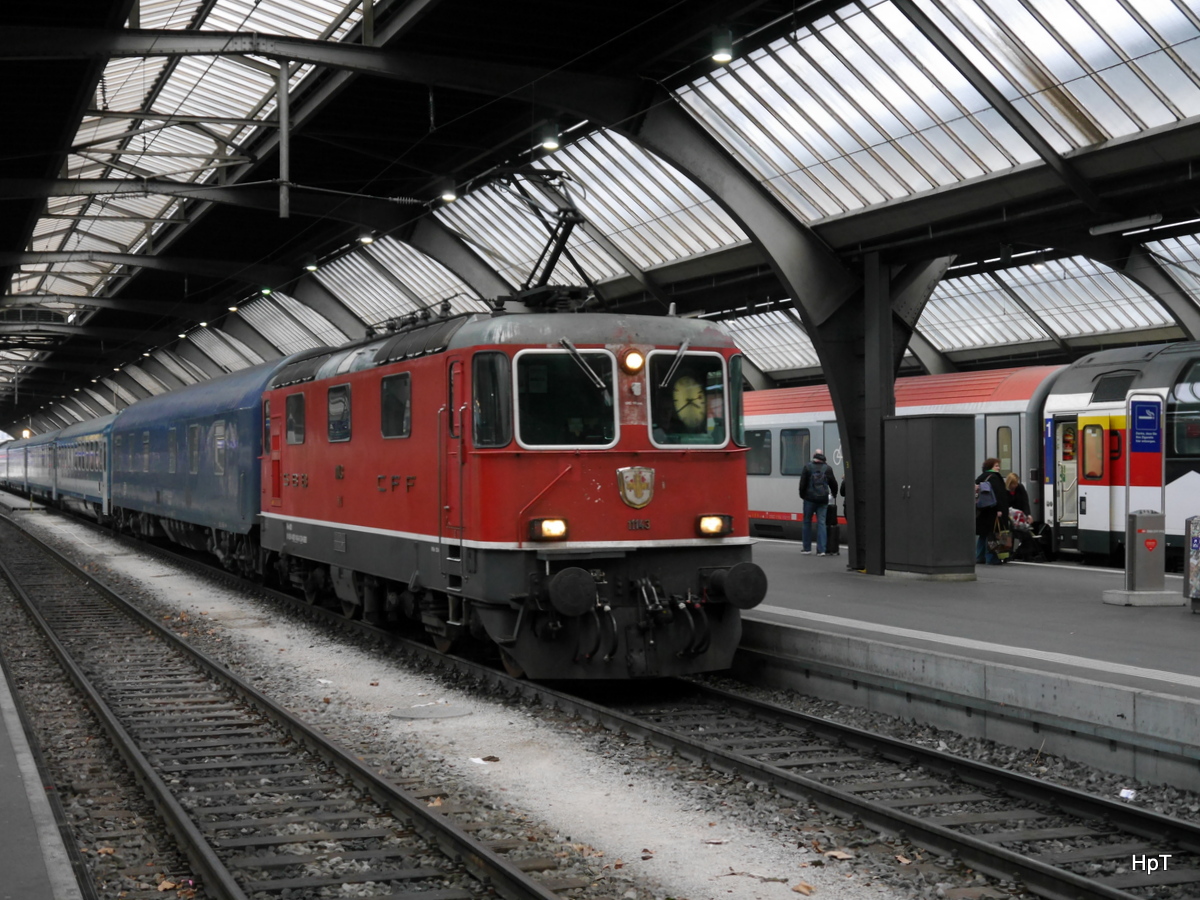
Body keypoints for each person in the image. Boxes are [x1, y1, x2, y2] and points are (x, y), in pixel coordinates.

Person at [798, 450, 839, 556]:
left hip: (809, 499)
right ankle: (821, 550)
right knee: (821, 523)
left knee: (807, 522)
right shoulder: (827, 468)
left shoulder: (807, 467)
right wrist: (833, 494)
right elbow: (834, 484)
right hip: (823, 500)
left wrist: (803, 496)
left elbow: (802, 484)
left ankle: (807, 548)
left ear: (814, 458)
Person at [975, 458, 1009, 565]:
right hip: (993, 510)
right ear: (990, 467)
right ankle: (992, 558)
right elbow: (999, 495)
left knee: (983, 534)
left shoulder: (981, 477)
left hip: (982, 510)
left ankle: (979, 557)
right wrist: (999, 509)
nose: (998, 468)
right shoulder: (995, 477)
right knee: (993, 534)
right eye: (996, 466)